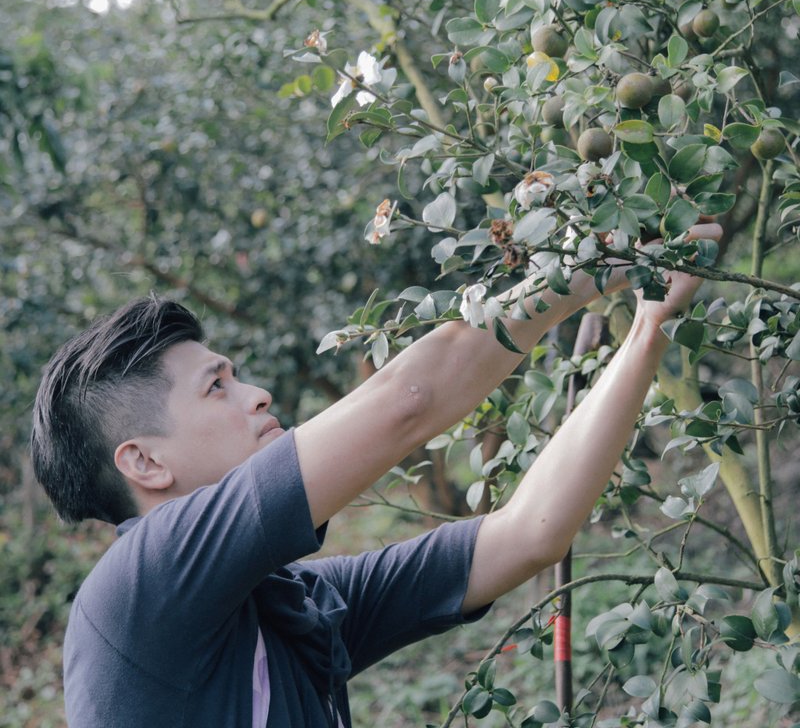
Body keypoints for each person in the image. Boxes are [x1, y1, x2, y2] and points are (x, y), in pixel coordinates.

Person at [31, 222, 721, 727]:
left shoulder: (291, 606)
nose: (258, 396)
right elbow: (409, 402)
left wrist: (648, 328)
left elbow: (528, 535)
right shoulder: (137, 591)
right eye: (217, 387)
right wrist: (600, 264)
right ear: (145, 462)